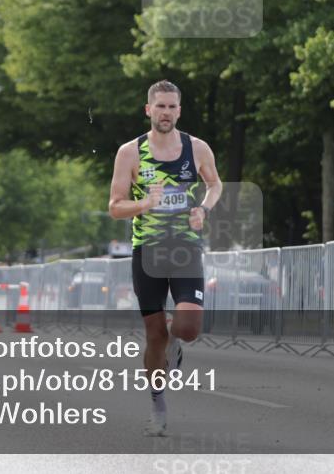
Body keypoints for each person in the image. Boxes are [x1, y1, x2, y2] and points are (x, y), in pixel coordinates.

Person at [108, 80, 222, 436]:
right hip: (148, 252)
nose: (166, 113)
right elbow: (114, 207)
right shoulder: (130, 153)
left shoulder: (197, 148)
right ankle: (157, 400)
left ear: (179, 111)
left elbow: (215, 184)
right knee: (154, 335)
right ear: (148, 110)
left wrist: (203, 208)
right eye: (160, 107)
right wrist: (144, 204)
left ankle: (176, 344)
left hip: (185, 248)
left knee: (186, 329)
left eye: (172, 107)